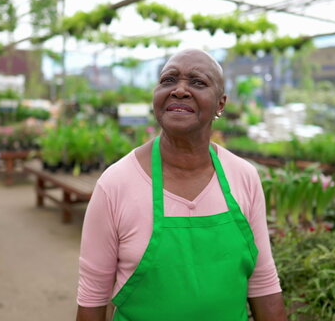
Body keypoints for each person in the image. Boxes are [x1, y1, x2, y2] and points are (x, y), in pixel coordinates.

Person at [77, 49, 286, 321]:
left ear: (220, 104)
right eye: (168, 80)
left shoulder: (243, 176)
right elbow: (93, 297)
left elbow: (262, 282)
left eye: (197, 82)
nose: (179, 90)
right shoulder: (116, 183)